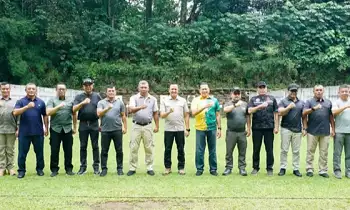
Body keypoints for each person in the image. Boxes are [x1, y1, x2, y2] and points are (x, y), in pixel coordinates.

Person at [13, 83, 48, 178]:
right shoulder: (21, 101)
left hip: (38, 132)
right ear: (26, 90)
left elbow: (45, 115)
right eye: (29, 89)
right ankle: (21, 171)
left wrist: (46, 128)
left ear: (36, 90)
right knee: (22, 153)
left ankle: (40, 169)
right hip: (24, 132)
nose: (31, 90)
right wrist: (27, 107)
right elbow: (15, 112)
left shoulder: (41, 102)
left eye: (33, 89)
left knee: (39, 152)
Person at [127, 80, 159, 176]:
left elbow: (155, 113)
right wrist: (141, 107)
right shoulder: (134, 98)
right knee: (133, 147)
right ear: (138, 88)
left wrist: (157, 125)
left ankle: (149, 167)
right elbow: (131, 109)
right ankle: (132, 168)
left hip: (148, 125)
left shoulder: (153, 99)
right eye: (142, 87)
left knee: (149, 147)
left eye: (145, 87)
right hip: (136, 125)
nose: (144, 89)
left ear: (148, 88)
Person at [303, 85, 335, 178]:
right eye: (317, 90)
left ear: (323, 91)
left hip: (325, 131)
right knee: (310, 151)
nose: (319, 92)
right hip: (312, 131)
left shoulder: (328, 102)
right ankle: (309, 169)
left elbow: (331, 117)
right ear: (314, 91)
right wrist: (313, 108)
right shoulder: (309, 102)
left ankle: (322, 170)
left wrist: (333, 129)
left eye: (320, 90)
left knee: (324, 152)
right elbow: (304, 113)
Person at [248, 81, 279, 176]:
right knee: (256, 149)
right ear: (257, 89)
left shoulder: (272, 99)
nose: (262, 89)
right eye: (260, 87)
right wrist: (260, 106)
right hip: (257, 128)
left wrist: (276, 126)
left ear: (266, 88)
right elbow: (249, 111)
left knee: (269, 149)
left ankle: (269, 168)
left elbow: (276, 113)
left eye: (263, 87)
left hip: (269, 127)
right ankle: (255, 168)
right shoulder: (253, 99)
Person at [191, 82, 221, 176]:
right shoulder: (196, 100)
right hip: (200, 128)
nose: (204, 90)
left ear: (209, 90)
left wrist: (219, 127)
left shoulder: (214, 100)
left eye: (206, 89)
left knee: (212, 149)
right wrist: (204, 107)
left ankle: (213, 169)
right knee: (199, 149)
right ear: (199, 90)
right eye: (202, 89)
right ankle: (199, 169)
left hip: (212, 128)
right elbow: (193, 113)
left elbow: (218, 114)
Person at [46, 83, 76, 177]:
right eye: (59, 89)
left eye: (63, 89)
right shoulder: (52, 100)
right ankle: (54, 170)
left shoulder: (71, 100)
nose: (61, 91)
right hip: (55, 129)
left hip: (67, 128)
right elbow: (48, 112)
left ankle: (69, 169)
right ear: (56, 90)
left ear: (66, 90)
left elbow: (74, 114)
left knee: (68, 150)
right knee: (54, 150)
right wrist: (59, 106)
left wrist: (75, 127)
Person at [73, 78, 102, 175]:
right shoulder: (79, 97)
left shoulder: (97, 96)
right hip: (83, 124)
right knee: (83, 146)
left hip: (94, 123)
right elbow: (74, 109)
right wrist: (82, 103)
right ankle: (83, 167)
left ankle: (96, 167)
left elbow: (101, 110)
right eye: (86, 85)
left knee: (95, 146)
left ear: (92, 86)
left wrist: (101, 123)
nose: (88, 87)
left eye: (89, 85)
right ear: (83, 86)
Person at [160, 84, 190, 175]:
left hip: (180, 129)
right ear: (169, 90)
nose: (174, 90)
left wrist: (187, 128)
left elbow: (186, 115)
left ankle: (181, 168)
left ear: (178, 90)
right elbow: (162, 115)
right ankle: (167, 168)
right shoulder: (164, 101)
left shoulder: (182, 100)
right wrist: (169, 111)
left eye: (175, 89)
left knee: (181, 149)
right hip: (168, 129)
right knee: (168, 149)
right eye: (172, 89)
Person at [97, 85, 127, 177]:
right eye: (109, 91)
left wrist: (125, 127)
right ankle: (104, 169)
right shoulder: (101, 102)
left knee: (119, 150)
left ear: (115, 92)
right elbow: (98, 114)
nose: (111, 92)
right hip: (105, 130)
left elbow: (123, 116)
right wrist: (107, 108)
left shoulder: (120, 103)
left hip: (117, 130)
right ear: (106, 92)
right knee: (104, 151)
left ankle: (120, 168)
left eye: (112, 91)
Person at [277, 84, 305, 177]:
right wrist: (288, 107)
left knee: (296, 151)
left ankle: (296, 169)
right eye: (291, 91)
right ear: (288, 91)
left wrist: (305, 128)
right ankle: (283, 168)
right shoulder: (283, 101)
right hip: (286, 128)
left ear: (297, 92)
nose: (293, 93)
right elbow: (280, 112)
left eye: (295, 91)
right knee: (284, 150)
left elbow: (304, 116)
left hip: (297, 129)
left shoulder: (301, 103)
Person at [222, 87, 251, 176]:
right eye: (235, 93)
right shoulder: (228, 103)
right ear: (231, 94)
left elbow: (248, 116)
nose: (237, 95)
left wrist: (249, 128)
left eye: (238, 93)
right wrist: (235, 105)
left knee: (242, 151)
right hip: (231, 132)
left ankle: (242, 168)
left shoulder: (245, 104)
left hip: (242, 132)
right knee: (229, 151)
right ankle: (228, 168)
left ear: (240, 94)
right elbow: (225, 110)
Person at [332, 84, 350, 179]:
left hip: (349, 132)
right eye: (342, 91)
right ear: (338, 92)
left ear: (349, 92)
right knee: (337, 153)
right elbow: (334, 112)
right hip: (339, 132)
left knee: (349, 153)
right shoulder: (336, 102)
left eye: (346, 91)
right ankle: (337, 170)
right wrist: (346, 107)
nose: (344, 93)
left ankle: (348, 171)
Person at [0, 82, 17, 176]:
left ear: (10, 90)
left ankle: (10, 168)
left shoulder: (15, 102)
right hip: (0, 129)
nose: (5, 90)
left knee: (10, 149)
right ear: (0, 90)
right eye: (3, 89)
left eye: (7, 89)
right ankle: (2, 168)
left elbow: (18, 116)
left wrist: (18, 127)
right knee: (1, 149)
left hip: (11, 129)